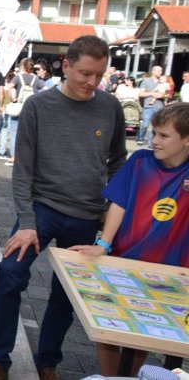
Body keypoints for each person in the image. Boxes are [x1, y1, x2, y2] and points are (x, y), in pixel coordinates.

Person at [0, 35, 127, 380]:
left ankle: (47, 363)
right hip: (42, 209)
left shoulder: (110, 106)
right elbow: (22, 170)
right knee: (10, 274)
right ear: (66, 66)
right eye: (85, 73)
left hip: (86, 215)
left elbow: (118, 162)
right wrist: (27, 222)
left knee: (65, 294)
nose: (92, 82)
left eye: (99, 75)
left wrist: (110, 205)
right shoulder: (39, 106)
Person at [69, 102, 188, 376]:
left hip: (170, 271)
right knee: (107, 327)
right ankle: (112, 378)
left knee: (146, 332)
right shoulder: (140, 161)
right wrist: (103, 245)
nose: (155, 140)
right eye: (154, 133)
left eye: (164, 135)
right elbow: (119, 203)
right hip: (124, 259)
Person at [1, 58, 44, 166]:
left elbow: (7, 89)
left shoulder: (18, 77)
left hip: (18, 108)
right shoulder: (36, 79)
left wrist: (12, 99)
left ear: (23, 66)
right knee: (30, 134)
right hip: (31, 109)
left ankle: (14, 157)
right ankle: (28, 157)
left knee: (15, 133)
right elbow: (46, 89)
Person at [137, 65, 168, 146]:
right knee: (145, 124)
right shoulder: (146, 81)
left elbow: (168, 95)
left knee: (155, 126)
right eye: (159, 71)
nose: (161, 72)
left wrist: (162, 96)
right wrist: (152, 94)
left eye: (161, 71)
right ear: (153, 71)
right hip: (148, 106)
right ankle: (140, 138)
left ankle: (151, 143)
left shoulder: (163, 82)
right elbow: (141, 93)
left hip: (159, 106)